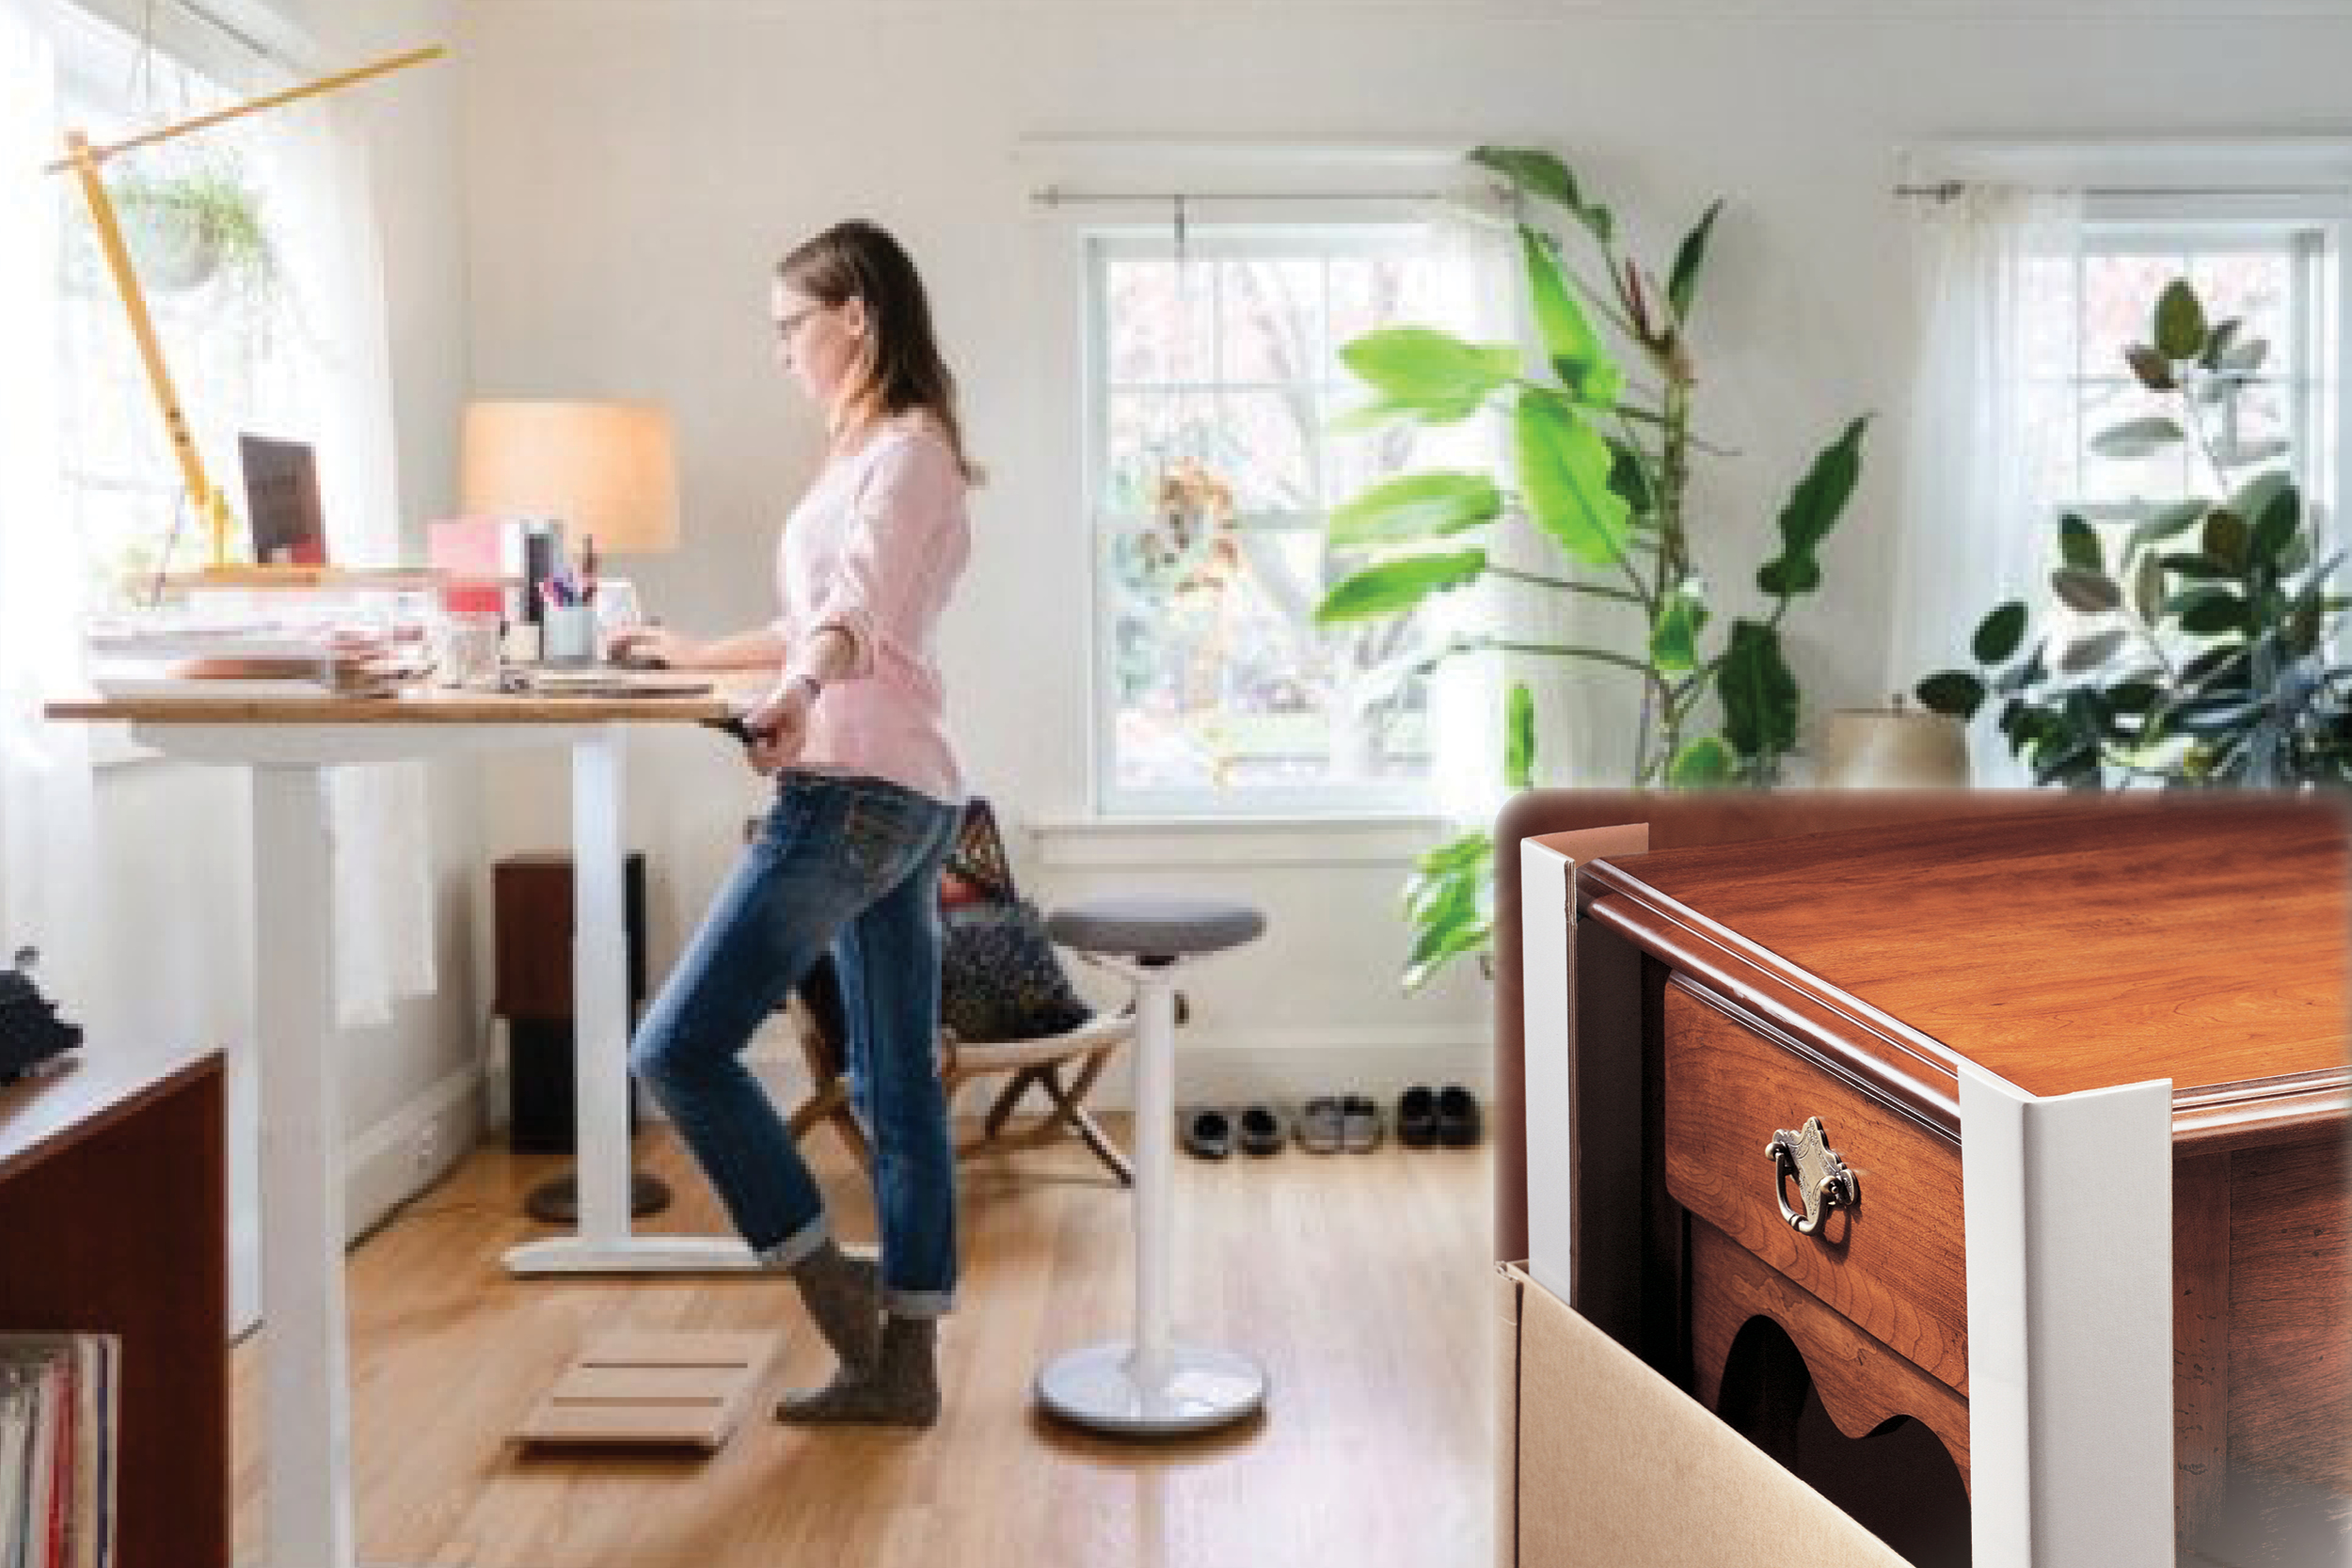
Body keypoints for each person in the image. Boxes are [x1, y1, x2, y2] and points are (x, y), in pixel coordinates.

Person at [614, 219, 974, 1428]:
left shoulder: (907, 455)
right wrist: (693, 652)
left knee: (675, 1049)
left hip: (859, 792)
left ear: (854, 317)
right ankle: (904, 1371)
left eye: (790, 327)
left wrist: (798, 696)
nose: (781, 353)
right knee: (893, 1085)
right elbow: (814, 613)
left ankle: (844, 1310)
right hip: (901, 794)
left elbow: (853, 617)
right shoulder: (871, 451)